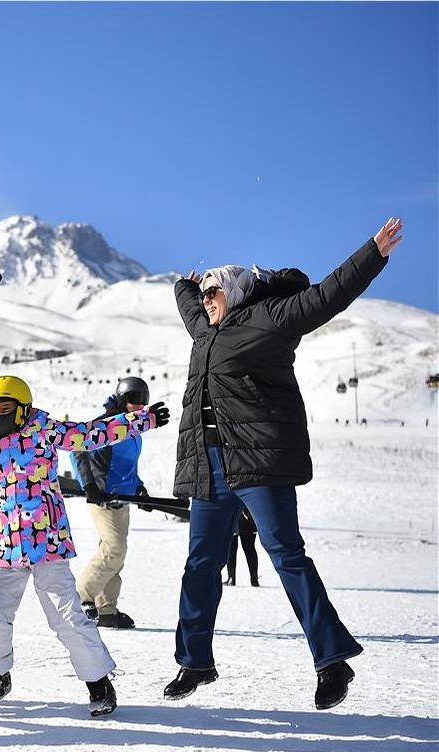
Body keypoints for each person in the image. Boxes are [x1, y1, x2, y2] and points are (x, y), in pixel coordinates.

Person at [163, 217, 403, 711]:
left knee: (286, 555)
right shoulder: (204, 331)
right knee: (200, 565)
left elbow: (325, 298)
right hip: (210, 467)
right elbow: (191, 306)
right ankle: (195, 662)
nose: (207, 300)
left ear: (236, 292)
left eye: (215, 292)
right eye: (204, 294)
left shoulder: (267, 319)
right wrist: (183, 286)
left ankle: (332, 659)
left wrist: (372, 255)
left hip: (258, 465)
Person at [0, 378, 169, 715]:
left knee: (67, 616)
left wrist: (142, 419)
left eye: (7, 409)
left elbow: (90, 434)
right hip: (4, 548)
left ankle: (98, 682)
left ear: (23, 410)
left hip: (47, 543)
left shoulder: (43, 430)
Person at [71, 376, 154, 628]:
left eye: (143, 400)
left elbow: (126, 467)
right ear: (121, 399)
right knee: (113, 549)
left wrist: (139, 489)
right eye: (133, 399)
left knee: (116, 554)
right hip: (104, 497)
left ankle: (106, 610)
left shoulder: (134, 430)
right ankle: (79, 598)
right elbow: (78, 450)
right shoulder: (106, 424)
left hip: (123, 497)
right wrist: (89, 485)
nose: (138, 405)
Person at [224, 506, 260, 587]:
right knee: (250, 549)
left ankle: (231, 578)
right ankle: (254, 579)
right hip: (248, 517)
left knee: (231, 549)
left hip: (235, 516)